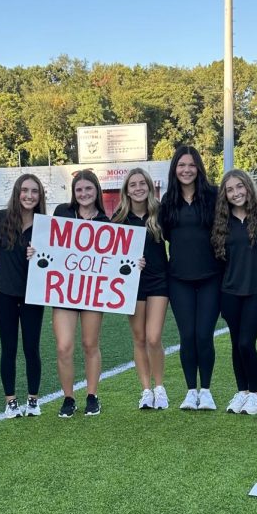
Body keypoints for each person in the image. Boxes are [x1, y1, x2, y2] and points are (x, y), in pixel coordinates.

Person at [159, 147, 220, 411]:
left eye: (192, 165)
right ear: (175, 168)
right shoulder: (167, 201)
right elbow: (164, 236)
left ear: (199, 168)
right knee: (187, 335)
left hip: (211, 277)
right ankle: (189, 391)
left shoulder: (213, 195)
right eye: (181, 165)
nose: (186, 170)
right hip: (179, 279)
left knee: (204, 335)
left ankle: (205, 390)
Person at [211, 170, 257, 414]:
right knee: (236, 343)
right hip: (230, 291)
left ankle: (255, 393)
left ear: (248, 187)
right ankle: (241, 392)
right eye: (230, 189)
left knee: (247, 342)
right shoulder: (220, 223)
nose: (236, 193)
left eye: (239, 187)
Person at [113, 167, 169, 410]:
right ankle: (145, 390)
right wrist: (128, 262)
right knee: (139, 338)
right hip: (131, 285)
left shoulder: (160, 213)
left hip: (159, 281)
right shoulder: (119, 218)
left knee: (154, 337)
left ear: (149, 186)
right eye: (132, 184)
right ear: (126, 190)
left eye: (142, 183)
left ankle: (160, 387)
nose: (138, 188)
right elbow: (111, 257)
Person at [52, 169, 108, 417]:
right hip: (64, 290)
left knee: (89, 343)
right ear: (73, 193)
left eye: (88, 188)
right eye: (79, 189)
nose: (84, 193)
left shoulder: (107, 222)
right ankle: (68, 397)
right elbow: (49, 245)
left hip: (92, 292)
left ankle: (92, 395)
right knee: (64, 346)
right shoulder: (62, 213)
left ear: (96, 191)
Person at [0, 173, 47, 417]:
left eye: (34, 191)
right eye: (24, 190)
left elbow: (55, 261)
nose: (29, 195)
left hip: (33, 295)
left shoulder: (46, 225)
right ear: (17, 193)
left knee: (31, 348)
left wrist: (41, 254)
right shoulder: (2, 218)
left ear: (40, 195)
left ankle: (33, 400)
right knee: (8, 348)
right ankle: (11, 401)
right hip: (4, 292)